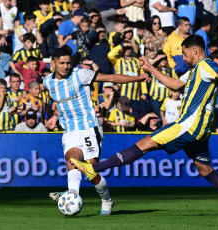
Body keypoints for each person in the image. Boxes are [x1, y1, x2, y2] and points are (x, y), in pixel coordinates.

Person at [70, 35, 218, 217]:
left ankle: (94, 168)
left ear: (195, 51)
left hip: (188, 125)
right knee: (204, 169)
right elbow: (173, 84)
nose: (183, 55)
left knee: (144, 144)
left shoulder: (206, 65)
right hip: (199, 129)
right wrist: (152, 68)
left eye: (184, 52)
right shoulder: (194, 71)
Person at [44, 47, 150, 215]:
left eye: (67, 63)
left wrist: (137, 78)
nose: (65, 66)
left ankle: (107, 200)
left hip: (89, 128)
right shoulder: (47, 82)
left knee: (90, 170)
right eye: (61, 63)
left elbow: (111, 77)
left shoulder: (81, 74)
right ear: (53, 63)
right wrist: (55, 116)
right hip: (70, 130)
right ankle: (73, 195)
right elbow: (60, 103)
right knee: (72, 161)